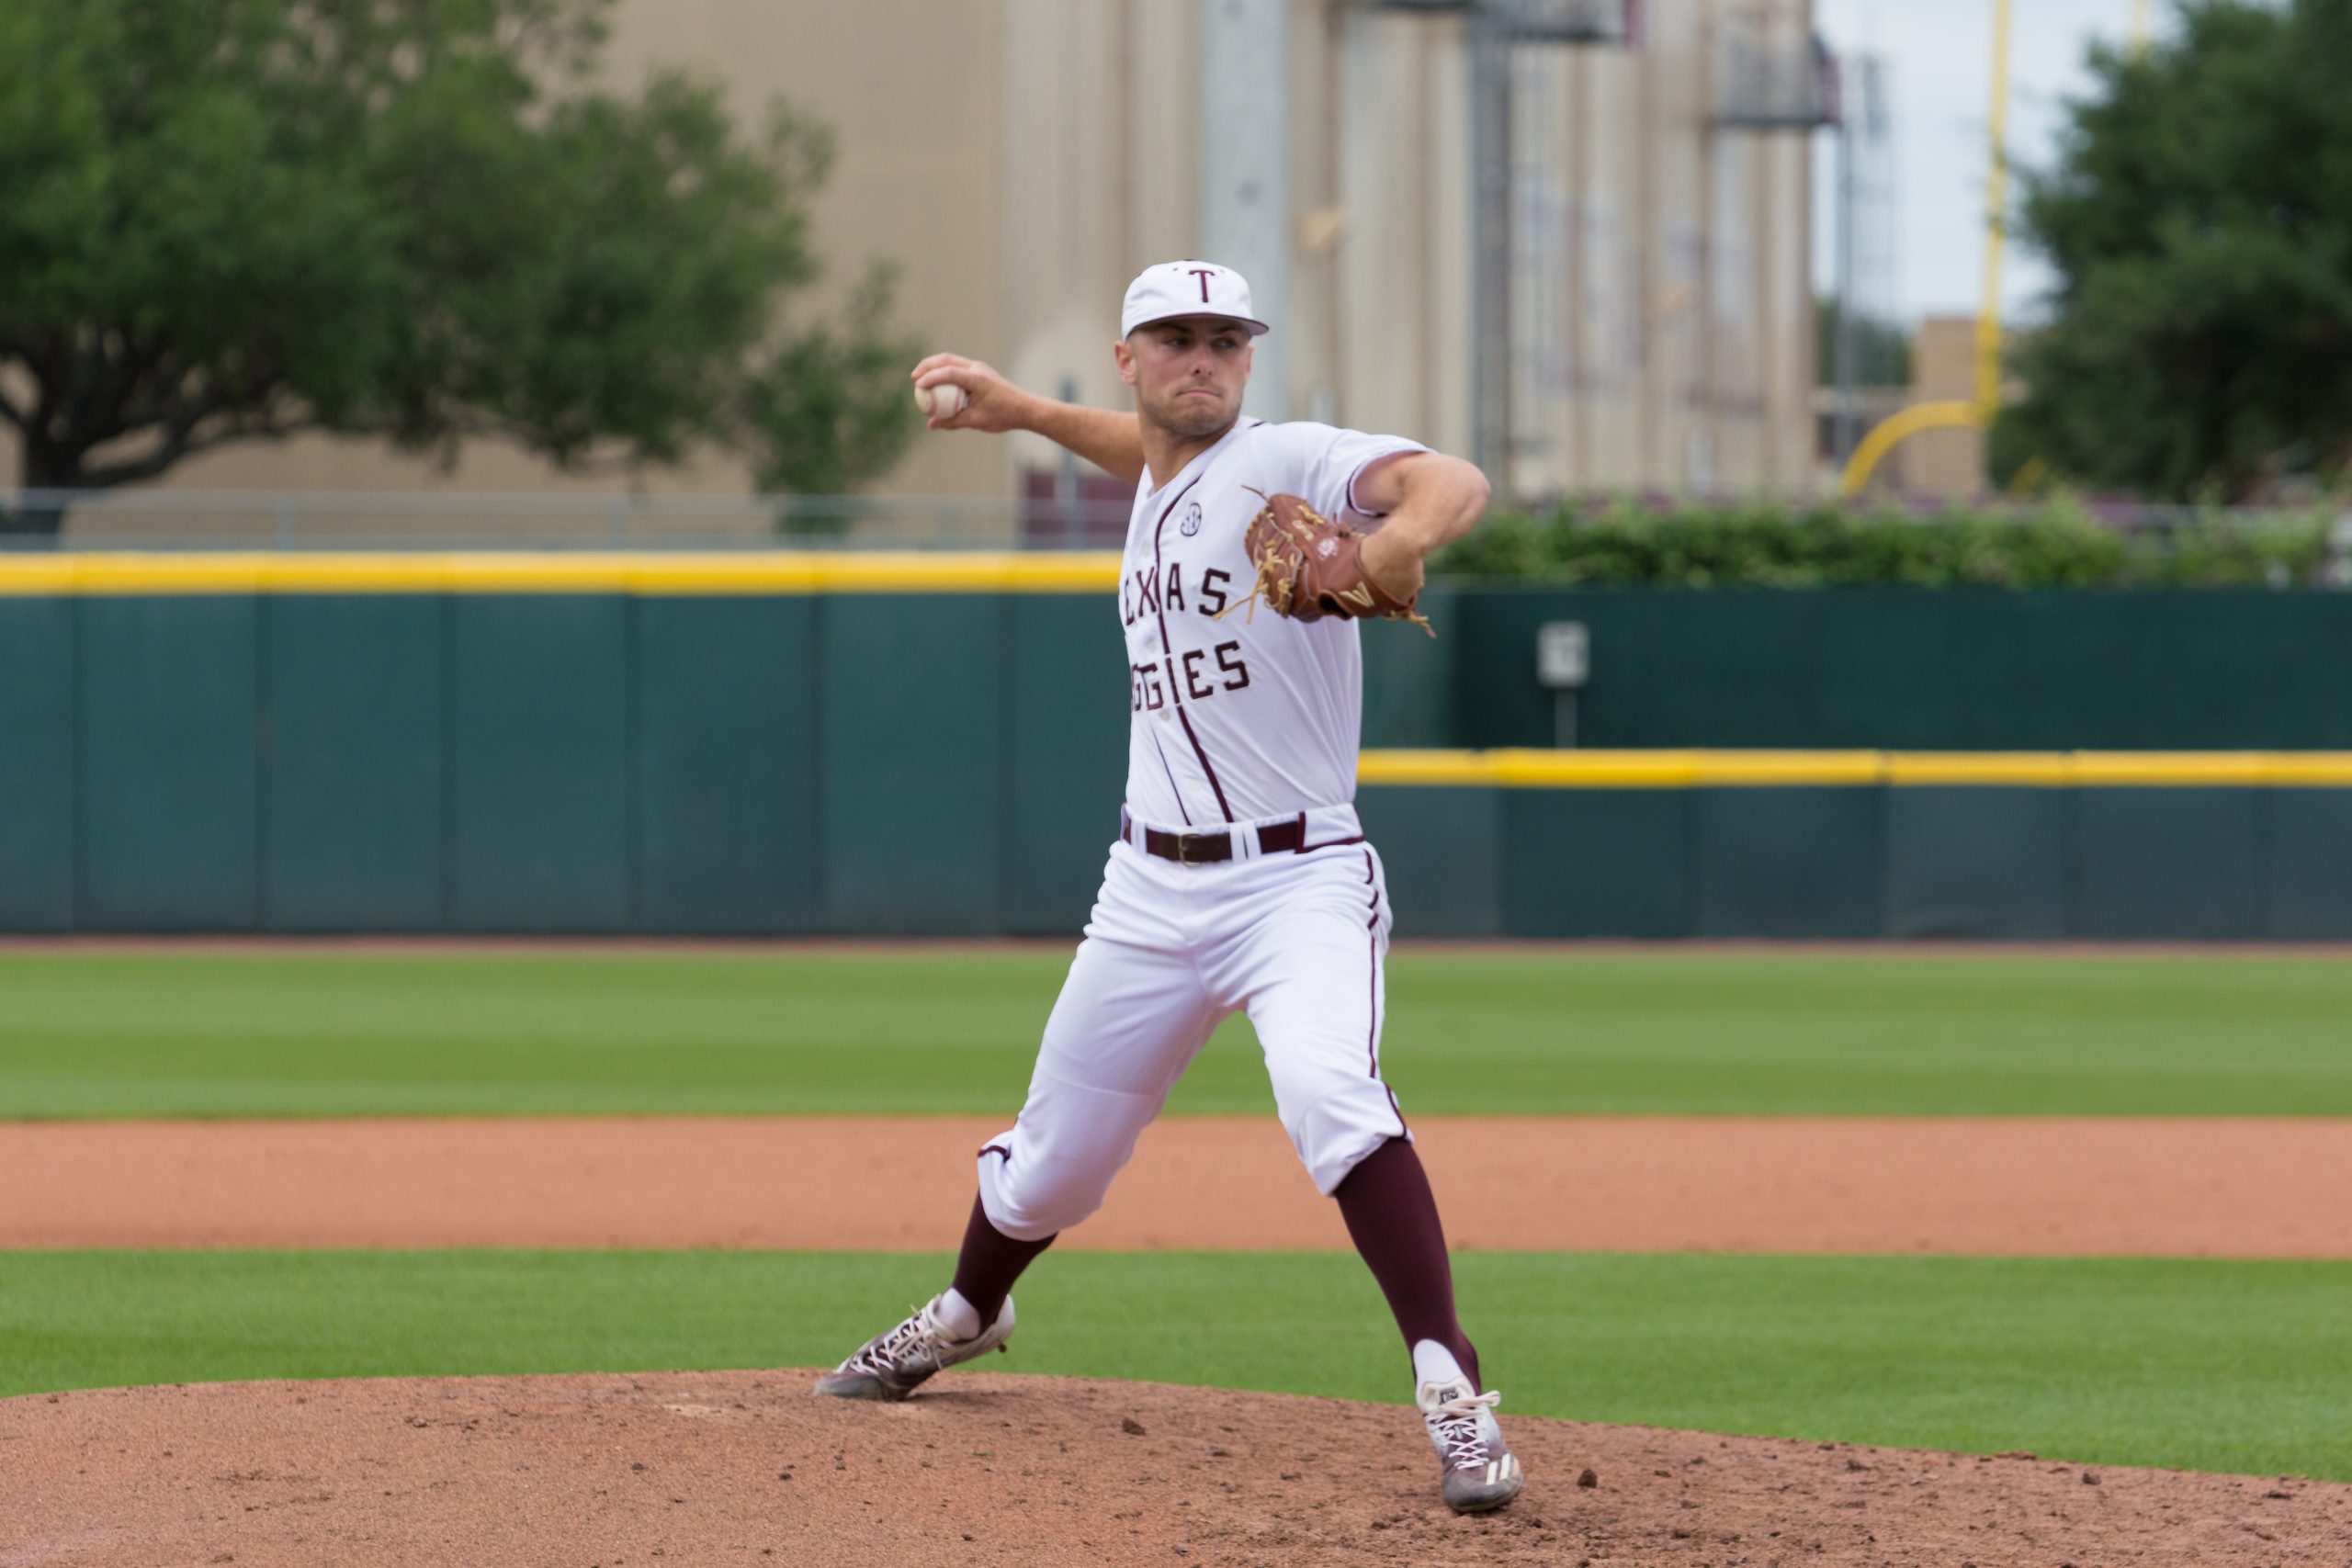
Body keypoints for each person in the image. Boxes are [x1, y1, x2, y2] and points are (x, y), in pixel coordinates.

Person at [813, 260, 1521, 1515]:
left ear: (1249, 361)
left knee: (1329, 1094)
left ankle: (1452, 1386)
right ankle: (971, 1311)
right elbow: (1137, 451)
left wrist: (1392, 541)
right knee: (1050, 1169)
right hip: (1145, 890)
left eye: (1224, 341)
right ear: (1135, 359)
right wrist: (1021, 410)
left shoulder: (1289, 458)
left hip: (1296, 880)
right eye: (1175, 341)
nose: (1203, 360)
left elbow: (1450, 482)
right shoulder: (1159, 480)